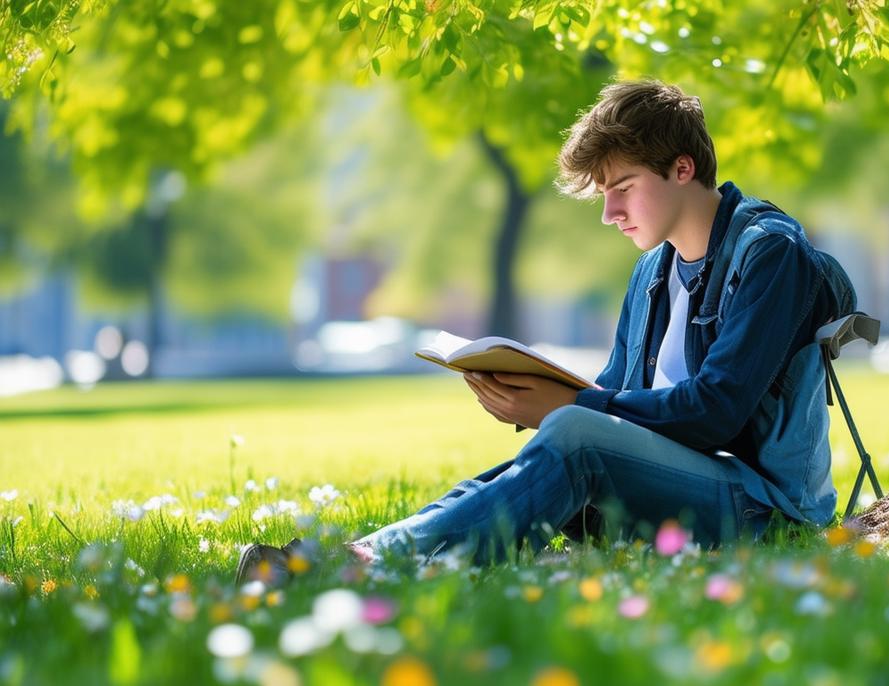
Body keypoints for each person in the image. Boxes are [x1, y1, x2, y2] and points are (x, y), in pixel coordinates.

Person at [236, 79, 856, 583]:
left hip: (764, 509)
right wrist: (538, 392)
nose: (610, 213)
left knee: (574, 432)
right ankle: (351, 557)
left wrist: (571, 405)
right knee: (537, 453)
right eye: (604, 196)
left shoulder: (767, 253)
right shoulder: (652, 270)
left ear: (682, 168)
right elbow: (617, 393)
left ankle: (366, 570)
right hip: (673, 490)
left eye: (623, 189)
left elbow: (717, 412)